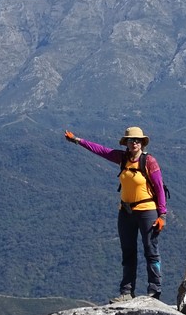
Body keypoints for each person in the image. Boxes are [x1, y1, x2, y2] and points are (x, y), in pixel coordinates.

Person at [64, 126, 167, 301]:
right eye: (130, 140)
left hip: (147, 211)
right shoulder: (122, 157)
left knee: (151, 251)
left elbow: (159, 188)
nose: (133, 142)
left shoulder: (149, 162)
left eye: (137, 140)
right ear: (126, 143)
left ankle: (154, 290)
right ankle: (126, 292)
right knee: (128, 251)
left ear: (142, 142)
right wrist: (77, 141)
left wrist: (162, 214)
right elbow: (101, 150)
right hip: (125, 212)